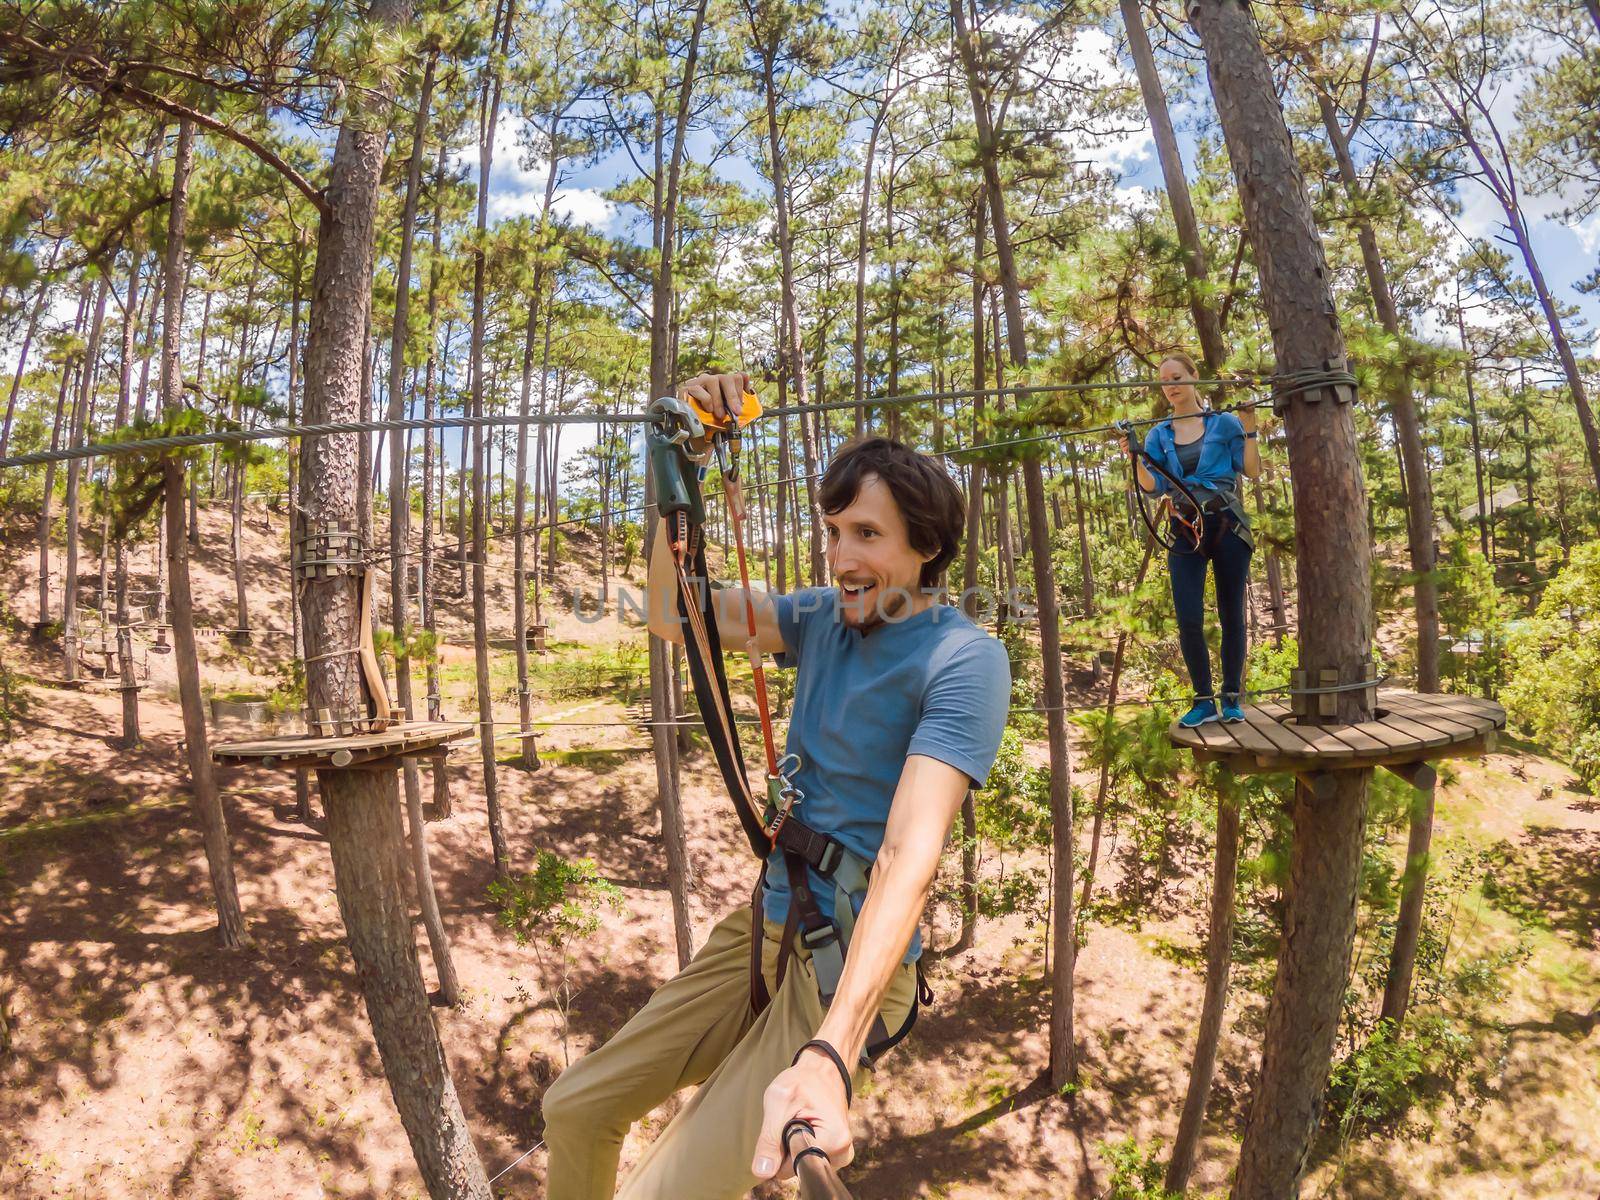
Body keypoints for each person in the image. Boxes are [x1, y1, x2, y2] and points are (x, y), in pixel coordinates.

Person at [540, 371, 1012, 1200]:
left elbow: (908, 855)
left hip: (845, 956)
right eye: (833, 532)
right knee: (575, 1107)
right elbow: (668, 610)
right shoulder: (817, 618)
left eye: (867, 533)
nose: (841, 558)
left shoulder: (964, 659)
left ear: (927, 545)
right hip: (766, 920)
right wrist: (674, 480)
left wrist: (833, 1051)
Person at [1128, 351, 1261, 728]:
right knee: (1188, 617)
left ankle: (1231, 697)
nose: (1170, 386)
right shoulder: (1158, 435)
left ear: (1193, 376)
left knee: (1231, 612)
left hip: (1227, 526)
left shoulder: (1224, 424)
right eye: (1164, 381)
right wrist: (1136, 457)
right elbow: (1153, 488)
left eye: (1176, 377)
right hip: (1184, 528)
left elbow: (1250, 470)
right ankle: (1203, 700)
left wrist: (1250, 427)